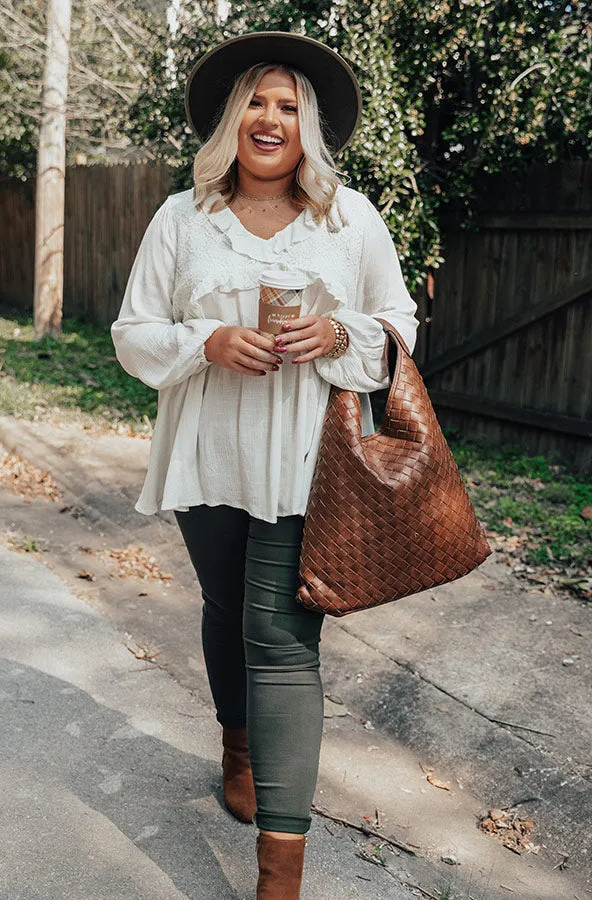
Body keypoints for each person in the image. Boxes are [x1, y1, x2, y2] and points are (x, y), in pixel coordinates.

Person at [111, 30, 419, 900]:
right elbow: (134, 333)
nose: (271, 117)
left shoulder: (350, 218)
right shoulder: (182, 218)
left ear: (309, 127)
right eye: (258, 101)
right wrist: (206, 340)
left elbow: (399, 322)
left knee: (282, 643)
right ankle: (236, 744)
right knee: (223, 605)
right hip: (209, 451)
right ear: (230, 120)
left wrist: (339, 333)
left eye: (289, 105)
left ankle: (278, 877)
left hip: (302, 459)